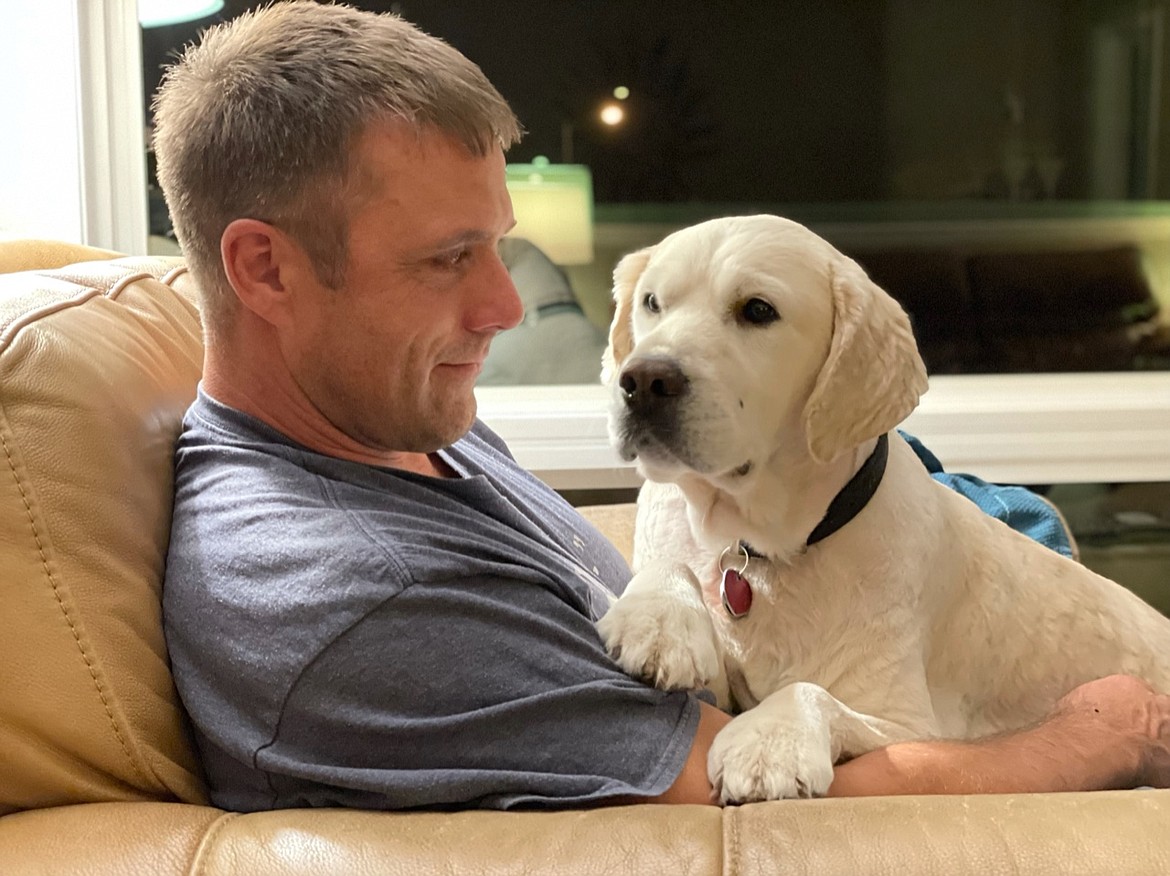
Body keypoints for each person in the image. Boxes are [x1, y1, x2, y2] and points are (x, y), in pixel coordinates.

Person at [154, 1, 1170, 813]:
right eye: (446, 260)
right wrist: (1100, 734)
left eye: (497, 248)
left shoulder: (390, 426)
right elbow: (766, 793)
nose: (505, 306)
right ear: (266, 269)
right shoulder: (350, 600)